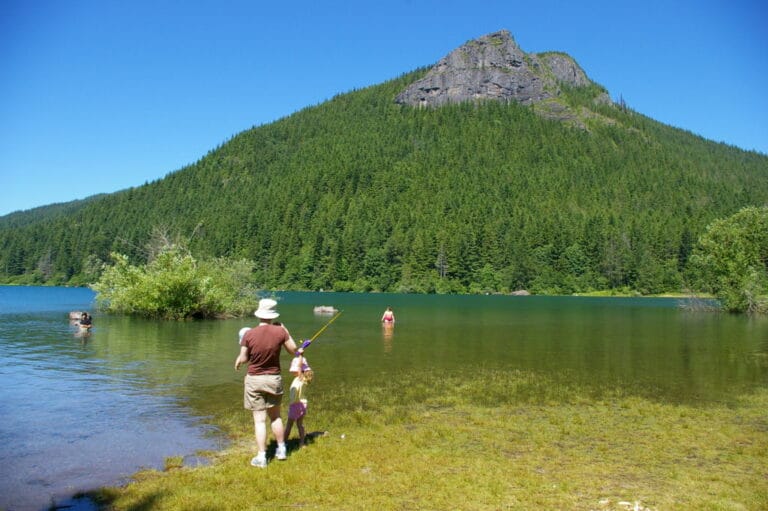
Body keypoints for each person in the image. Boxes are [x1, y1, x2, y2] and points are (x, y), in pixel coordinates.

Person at [234, 298, 300, 468]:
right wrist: (285, 330)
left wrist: (240, 358)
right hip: (273, 379)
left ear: (259, 314)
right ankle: (282, 449)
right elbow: (294, 351)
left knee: (259, 420)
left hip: (254, 379)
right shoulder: (280, 332)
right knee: (275, 416)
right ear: (273, 315)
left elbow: (244, 358)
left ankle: (262, 457)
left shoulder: (249, 334)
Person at [284, 354, 313, 448]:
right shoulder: (305, 379)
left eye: (294, 370)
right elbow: (300, 367)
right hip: (303, 404)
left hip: (295, 405)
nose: (293, 372)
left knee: (289, 425)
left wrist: (301, 355)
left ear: (301, 371)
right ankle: (302, 443)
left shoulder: (300, 377)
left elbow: (299, 366)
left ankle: (283, 443)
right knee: (300, 425)